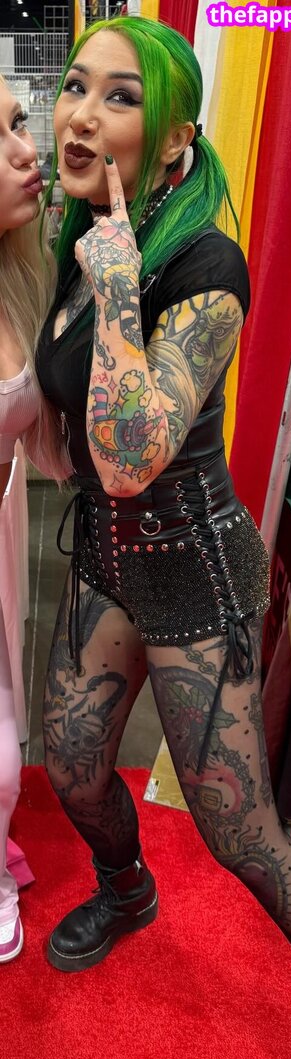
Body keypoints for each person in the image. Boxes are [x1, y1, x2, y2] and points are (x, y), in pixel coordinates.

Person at [36, 16, 291, 1059]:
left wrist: (115, 278)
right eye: (76, 86)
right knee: (74, 768)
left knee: (239, 832)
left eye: (120, 97)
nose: (81, 114)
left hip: (194, 574)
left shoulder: (203, 264)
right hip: (107, 560)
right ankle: (126, 891)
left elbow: (132, 455)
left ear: (175, 139)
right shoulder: (81, 232)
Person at [0, 74, 66, 962]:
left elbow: (57, 447)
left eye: (20, 122)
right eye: (1, 136)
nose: (30, 150)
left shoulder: (23, 275)